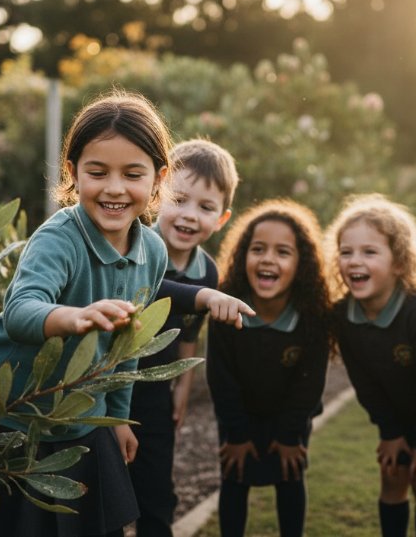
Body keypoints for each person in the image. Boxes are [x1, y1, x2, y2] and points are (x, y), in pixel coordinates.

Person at [0, 90, 178, 537]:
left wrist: (119, 418)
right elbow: (22, 311)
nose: (115, 188)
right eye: (98, 172)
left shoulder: (154, 252)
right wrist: (76, 317)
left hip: (82, 412)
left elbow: (126, 348)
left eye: (133, 173)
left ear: (158, 178)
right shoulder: (59, 238)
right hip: (10, 414)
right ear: (73, 172)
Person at [129, 139, 242, 537]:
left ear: (222, 218)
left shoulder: (206, 273)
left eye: (206, 207)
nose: (190, 215)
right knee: (104, 490)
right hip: (107, 383)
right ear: (157, 194)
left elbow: (191, 333)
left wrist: (182, 390)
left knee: (156, 490)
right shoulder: (133, 247)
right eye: (179, 199)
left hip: (156, 390)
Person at [206, 199, 332, 537]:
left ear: (301, 263)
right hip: (238, 417)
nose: (268, 259)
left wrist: (291, 435)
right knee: (234, 480)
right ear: (243, 255)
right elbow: (220, 378)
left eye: (283, 252)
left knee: (290, 478)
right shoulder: (225, 309)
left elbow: (309, 384)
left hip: (289, 418)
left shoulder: (313, 318)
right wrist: (236, 434)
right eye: (258, 249)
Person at [325, 194, 416, 537]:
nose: (354, 261)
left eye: (369, 252)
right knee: (392, 479)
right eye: (346, 252)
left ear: (398, 262)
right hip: (393, 420)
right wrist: (390, 432)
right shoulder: (343, 316)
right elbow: (364, 381)